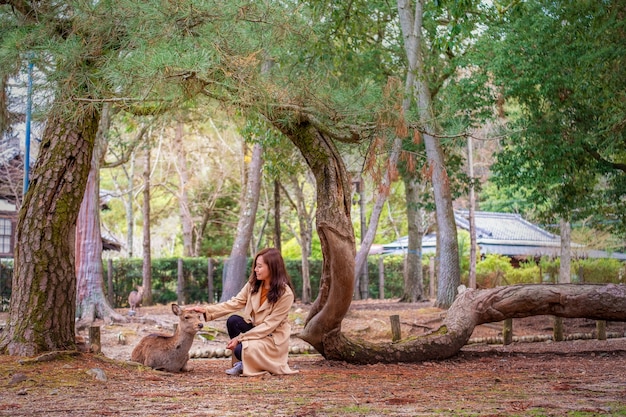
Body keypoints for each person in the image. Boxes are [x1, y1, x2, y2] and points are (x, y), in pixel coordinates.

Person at [191, 248, 299, 376]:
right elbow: (235, 302)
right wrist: (207, 310)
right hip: (256, 329)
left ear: (272, 268)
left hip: (271, 337)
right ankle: (242, 362)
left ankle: (249, 360)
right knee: (233, 321)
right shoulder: (254, 284)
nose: (255, 270)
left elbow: (268, 326)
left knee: (240, 349)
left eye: (259, 266)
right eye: (255, 266)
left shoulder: (285, 294)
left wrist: (240, 338)